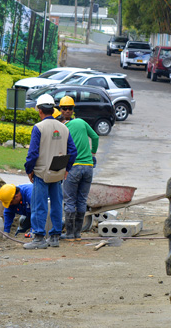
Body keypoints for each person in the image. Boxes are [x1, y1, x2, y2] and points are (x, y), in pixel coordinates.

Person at [23, 94, 77, 249]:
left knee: (39, 205)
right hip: (58, 172)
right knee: (57, 204)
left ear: (40, 110)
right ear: (53, 109)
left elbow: (33, 153)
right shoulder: (64, 128)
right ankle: (54, 237)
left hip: (41, 173)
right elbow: (72, 152)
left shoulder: (38, 128)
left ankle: (39, 238)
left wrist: (29, 169)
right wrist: (66, 168)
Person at [57, 96, 98, 241]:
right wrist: (93, 153)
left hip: (73, 168)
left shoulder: (62, 128)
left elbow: (59, 150)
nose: (67, 110)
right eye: (66, 108)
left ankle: (69, 235)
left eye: (67, 108)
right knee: (81, 201)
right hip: (88, 168)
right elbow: (95, 137)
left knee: (69, 201)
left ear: (61, 110)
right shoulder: (82, 122)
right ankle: (78, 234)